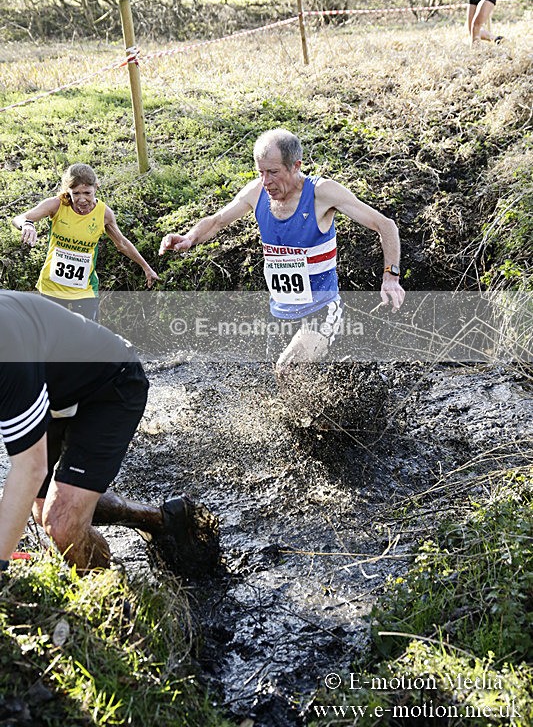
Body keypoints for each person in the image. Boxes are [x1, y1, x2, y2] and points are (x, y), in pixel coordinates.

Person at [0, 291, 219, 576]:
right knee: (42, 511)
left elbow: (30, 468)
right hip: (55, 391)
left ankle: (110, 594)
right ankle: (161, 520)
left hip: (111, 381)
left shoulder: (7, 348)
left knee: (62, 524)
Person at [159, 128, 405, 369]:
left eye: (274, 172)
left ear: (296, 166)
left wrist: (391, 277)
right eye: (261, 172)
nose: (266, 181)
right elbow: (217, 221)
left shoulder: (321, 193)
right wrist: (189, 238)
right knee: (278, 379)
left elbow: (386, 226)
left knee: (287, 370)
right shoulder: (256, 193)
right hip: (280, 313)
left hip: (321, 309)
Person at [12, 163, 159, 321]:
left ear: (96, 187)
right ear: (68, 191)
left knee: (87, 335)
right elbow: (19, 218)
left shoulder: (104, 214)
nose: (82, 199)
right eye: (76, 193)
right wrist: (27, 224)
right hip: (51, 288)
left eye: (87, 193)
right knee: (52, 335)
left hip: (85, 291)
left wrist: (146, 267)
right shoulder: (57, 205)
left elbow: (121, 243)